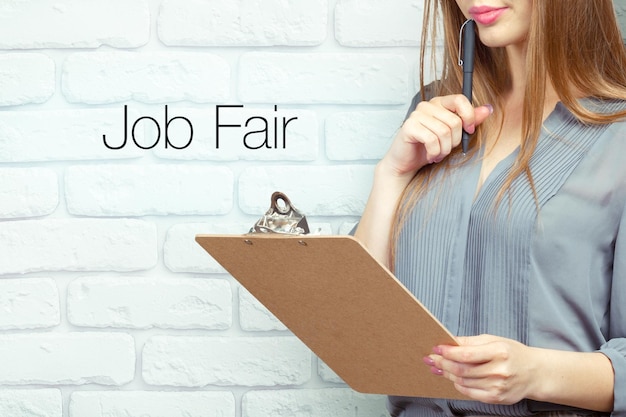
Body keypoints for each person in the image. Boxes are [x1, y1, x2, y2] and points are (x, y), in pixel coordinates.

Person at [354, 1, 626, 416]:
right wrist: (392, 174)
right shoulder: (434, 110)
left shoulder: (617, 134)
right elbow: (361, 318)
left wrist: (534, 372)